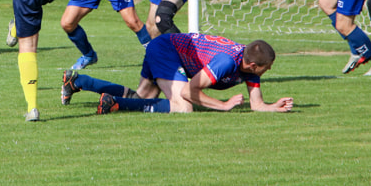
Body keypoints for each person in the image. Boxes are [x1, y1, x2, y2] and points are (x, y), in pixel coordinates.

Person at [61, 32, 293, 114]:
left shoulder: (249, 67)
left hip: (166, 49)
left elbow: (256, 105)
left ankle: (78, 80)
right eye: (267, 67)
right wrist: (223, 105)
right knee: (183, 106)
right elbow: (189, 90)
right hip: (167, 49)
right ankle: (114, 104)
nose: (269, 70)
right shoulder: (227, 61)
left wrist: (274, 106)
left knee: (142, 99)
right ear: (254, 65)